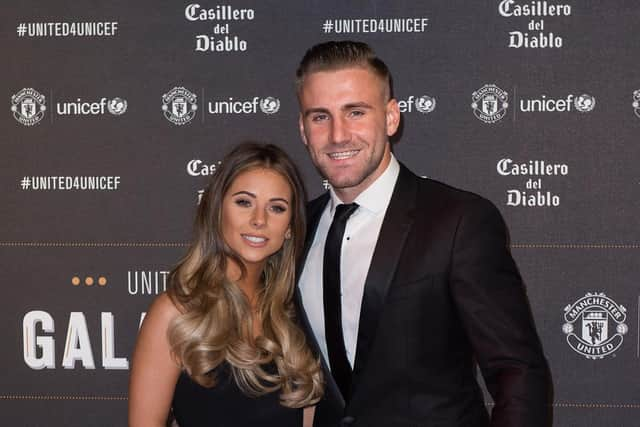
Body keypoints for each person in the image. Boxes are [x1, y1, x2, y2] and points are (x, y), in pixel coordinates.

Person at [294, 41, 552, 427]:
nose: (338, 135)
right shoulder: (297, 227)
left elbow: (518, 373)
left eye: (356, 112)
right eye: (320, 117)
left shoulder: (459, 220)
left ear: (391, 118)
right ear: (303, 129)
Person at [129, 143, 323, 427]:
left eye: (277, 208)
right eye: (244, 202)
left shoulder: (293, 316)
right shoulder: (175, 313)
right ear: (217, 210)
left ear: (290, 227)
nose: (259, 220)